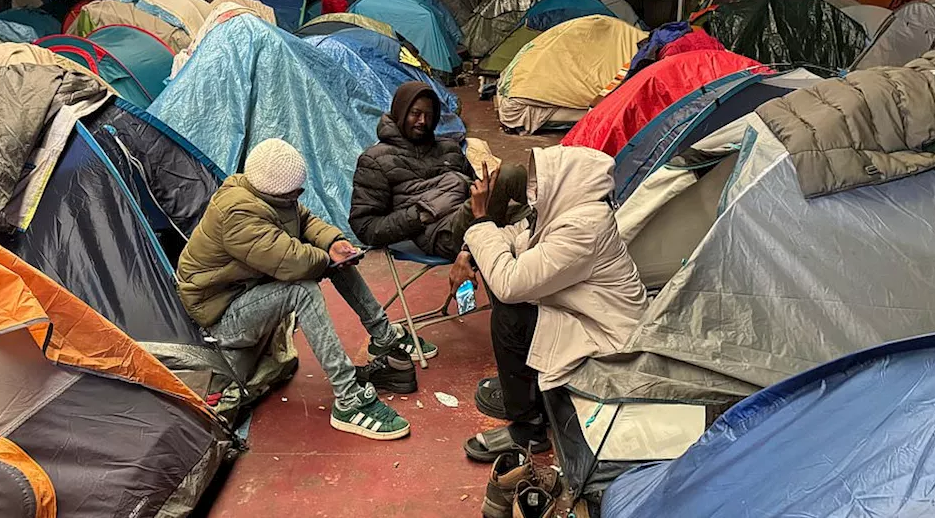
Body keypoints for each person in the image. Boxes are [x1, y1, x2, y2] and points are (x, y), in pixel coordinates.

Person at [176, 138, 436, 441]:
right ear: (274, 190)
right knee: (304, 287)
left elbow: (304, 219)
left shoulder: (269, 194)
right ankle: (348, 398)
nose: (299, 196)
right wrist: (328, 258)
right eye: (295, 192)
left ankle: (384, 337)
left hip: (245, 291)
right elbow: (291, 262)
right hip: (222, 315)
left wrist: (333, 243)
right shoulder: (238, 215)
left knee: (339, 258)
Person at [451, 145, 647, 463]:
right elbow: (517, 236)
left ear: (568, 181)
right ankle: (527, 394)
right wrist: (470, 250)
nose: (535, 191)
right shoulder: (569, 214)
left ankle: (528, 428)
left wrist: (481, 222)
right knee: (499, 271)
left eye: (541, 183)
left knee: (511, 310)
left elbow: (510, 283)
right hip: (586, 318)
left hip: (611, 340)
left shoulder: (583, 229)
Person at [350, 81, 529, 260]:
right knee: (508, 175)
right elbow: (365, 227)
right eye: (415, 114)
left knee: (538, 214)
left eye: (429, 115)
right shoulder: (375, 160)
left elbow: (473, 191)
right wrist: (420, 215)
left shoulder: (448, 148)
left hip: (476, 216)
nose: (423, 121)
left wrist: (482, 189)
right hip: (443, 233)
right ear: (401, 112)